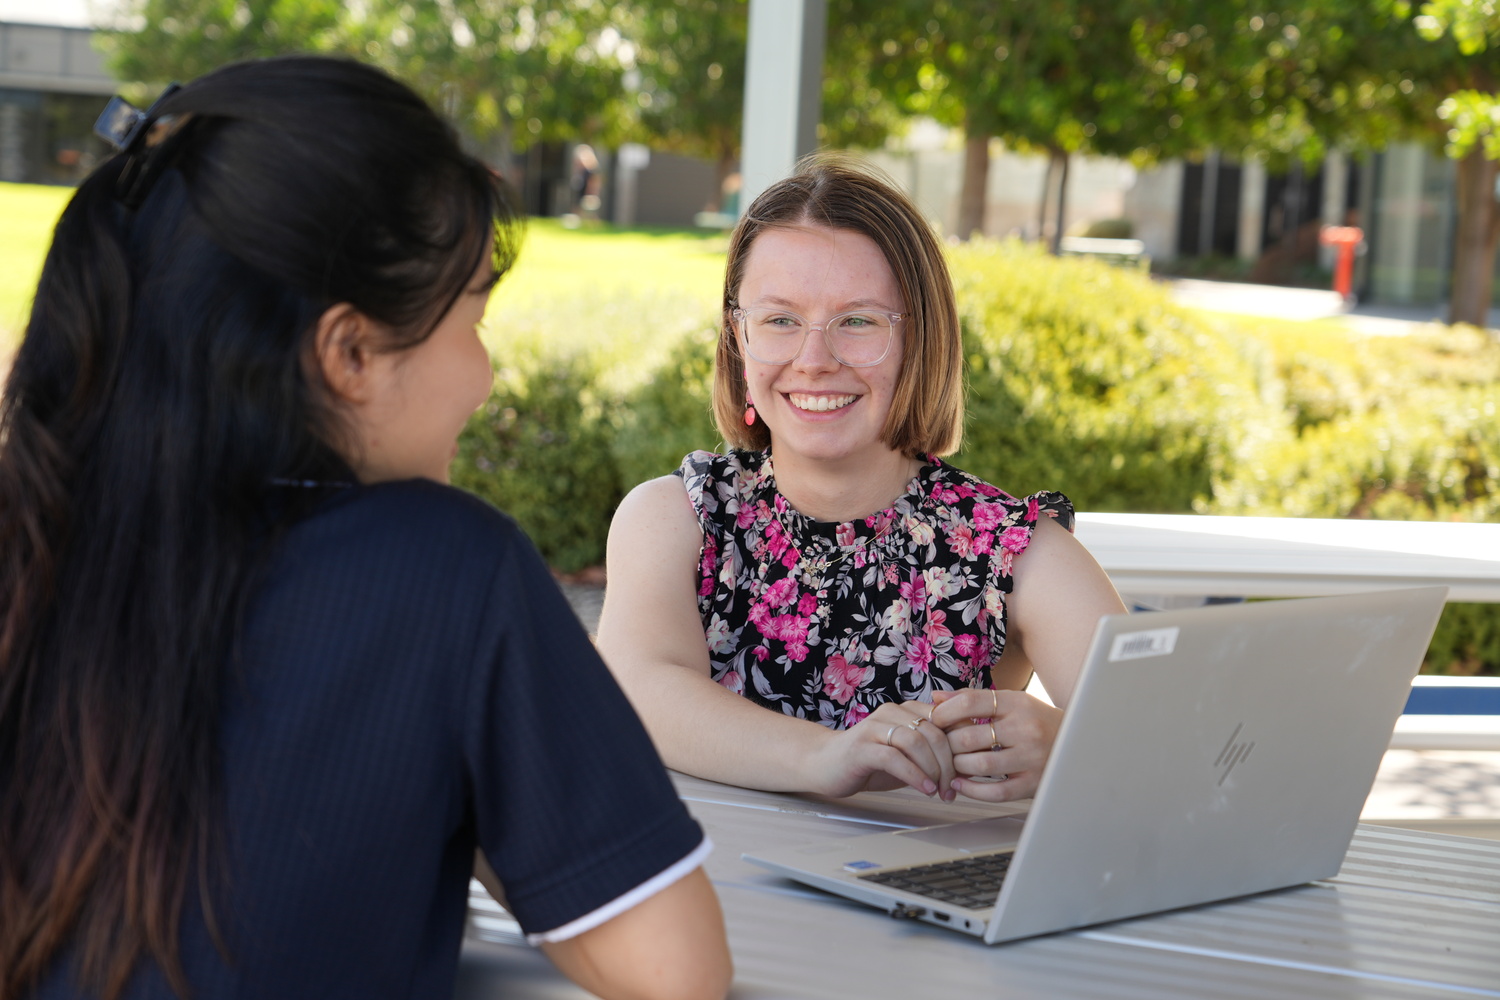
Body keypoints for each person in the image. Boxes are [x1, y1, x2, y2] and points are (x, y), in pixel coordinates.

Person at [0, 57, 730, 1000]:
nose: (487, 375)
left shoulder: (33, 538)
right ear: (349, 352)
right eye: (471, 318)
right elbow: (677, 972)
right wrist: (477, 789)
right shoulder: (447, 570)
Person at [597, 157, 1126, 805]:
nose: (813, 360)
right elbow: (642, 686)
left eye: (858, 321)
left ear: (921, 343)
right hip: (711, 898)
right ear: (737, 339)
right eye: (779, 320)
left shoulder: (1017, 553)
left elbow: (1179, 751)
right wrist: (827, 757)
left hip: (907, 902)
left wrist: (1075, 748)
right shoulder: (675, 518)